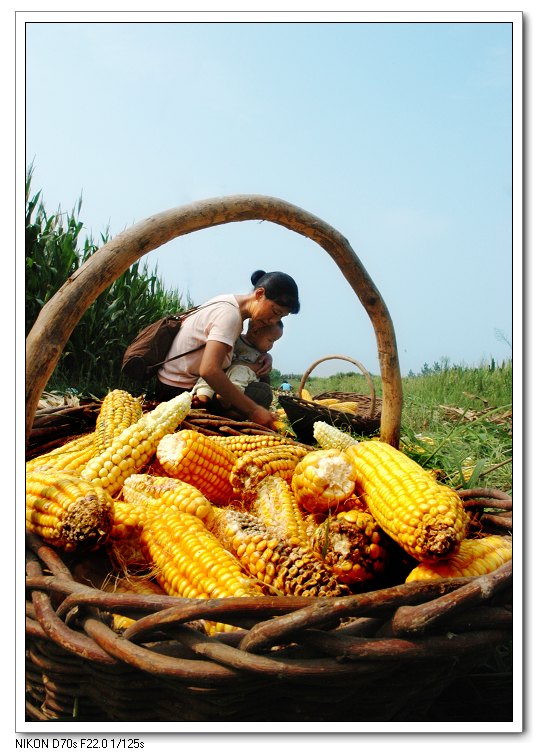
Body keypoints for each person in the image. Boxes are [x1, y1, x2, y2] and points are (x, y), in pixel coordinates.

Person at [155, 270, 300, 429]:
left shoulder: (227, 302)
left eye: (280, 318)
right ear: (259, 294)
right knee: (262, 393)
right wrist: (254, 410)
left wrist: (266, 356)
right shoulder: (230, 316)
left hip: (172, 383)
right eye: (275, 312)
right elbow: (209, 370)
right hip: (179, 391)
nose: (273, 321)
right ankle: (218, 413)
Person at [192, 320, 284, 409]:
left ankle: (227, 397)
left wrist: (267, 357)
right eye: (270, 340)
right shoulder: (235, 340)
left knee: (240, 370)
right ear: (255, 332)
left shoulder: (261, 356)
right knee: (210, 370)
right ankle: (203, 395)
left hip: (240, 385)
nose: (271, 345)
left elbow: (260, 371)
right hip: (221, 377)